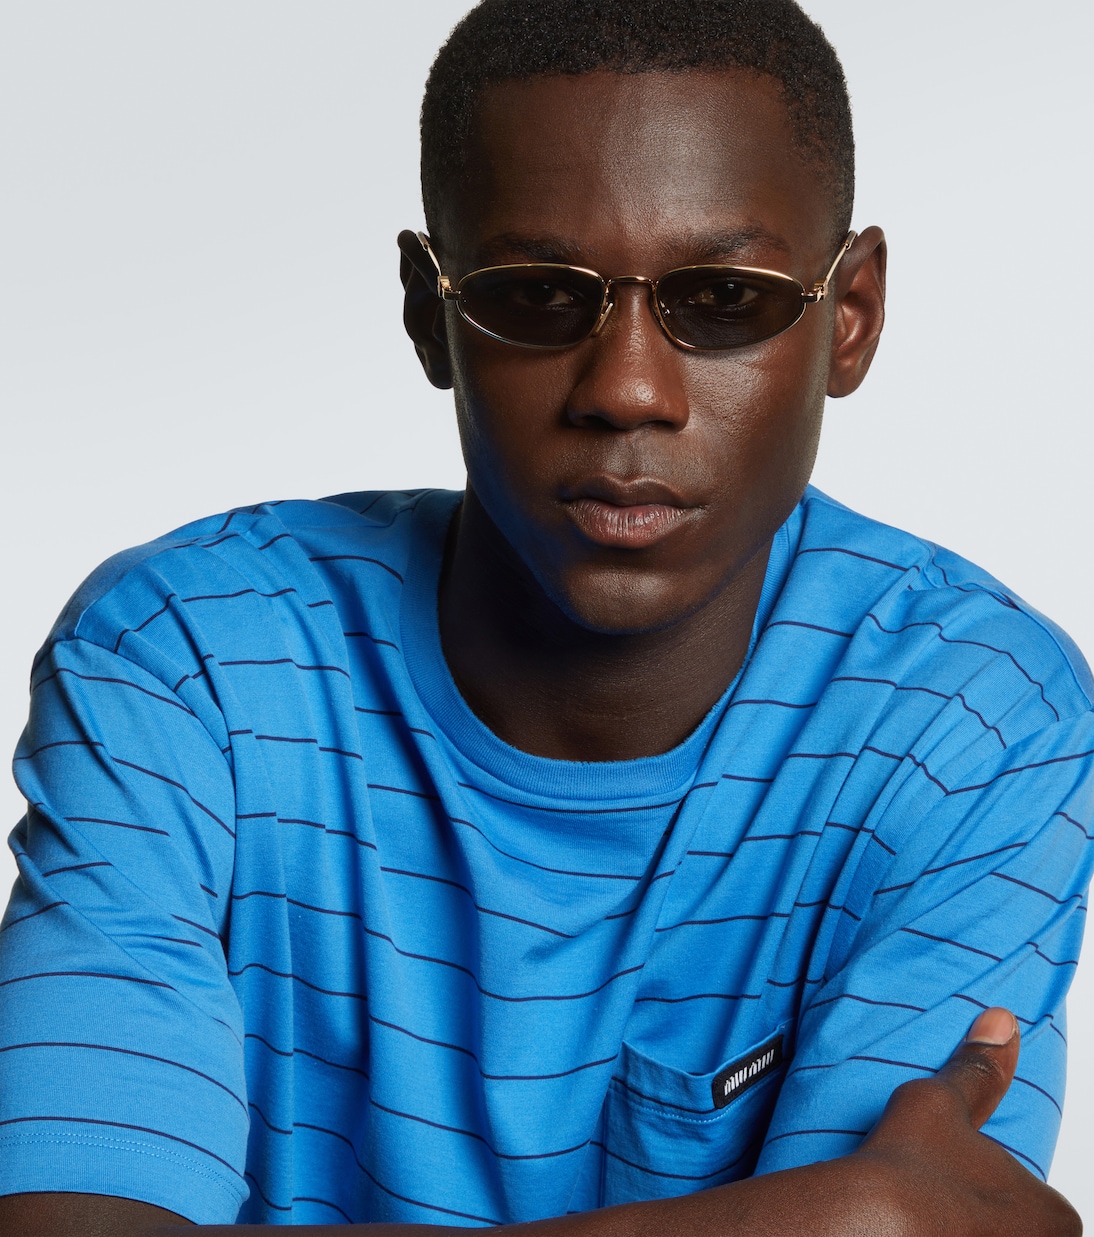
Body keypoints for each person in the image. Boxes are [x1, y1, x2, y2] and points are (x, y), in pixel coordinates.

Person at [0, 0, 1090, 1233]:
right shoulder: (191, 660)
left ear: (849, 317)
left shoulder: (970, 721)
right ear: (430, 314)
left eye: (721, 298)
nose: (626, 389)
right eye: (534, 297)